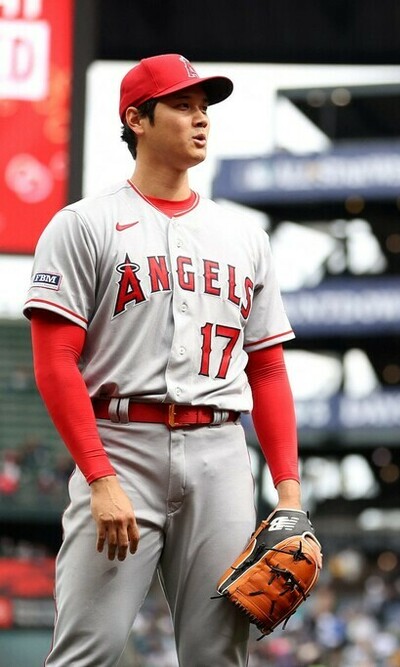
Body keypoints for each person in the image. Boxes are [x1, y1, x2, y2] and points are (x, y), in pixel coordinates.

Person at [24, 53, 302, 666]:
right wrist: (100, 478)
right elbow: (55, 361)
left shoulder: (245, 238)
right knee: (87, 652)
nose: (201, 119)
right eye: (182, 105)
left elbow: (268, 370)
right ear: (137, 119)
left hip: (221, 455)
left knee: (218, 655)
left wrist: (289, 494)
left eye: (204, 107)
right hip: (121, 446)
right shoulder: (84, 225)